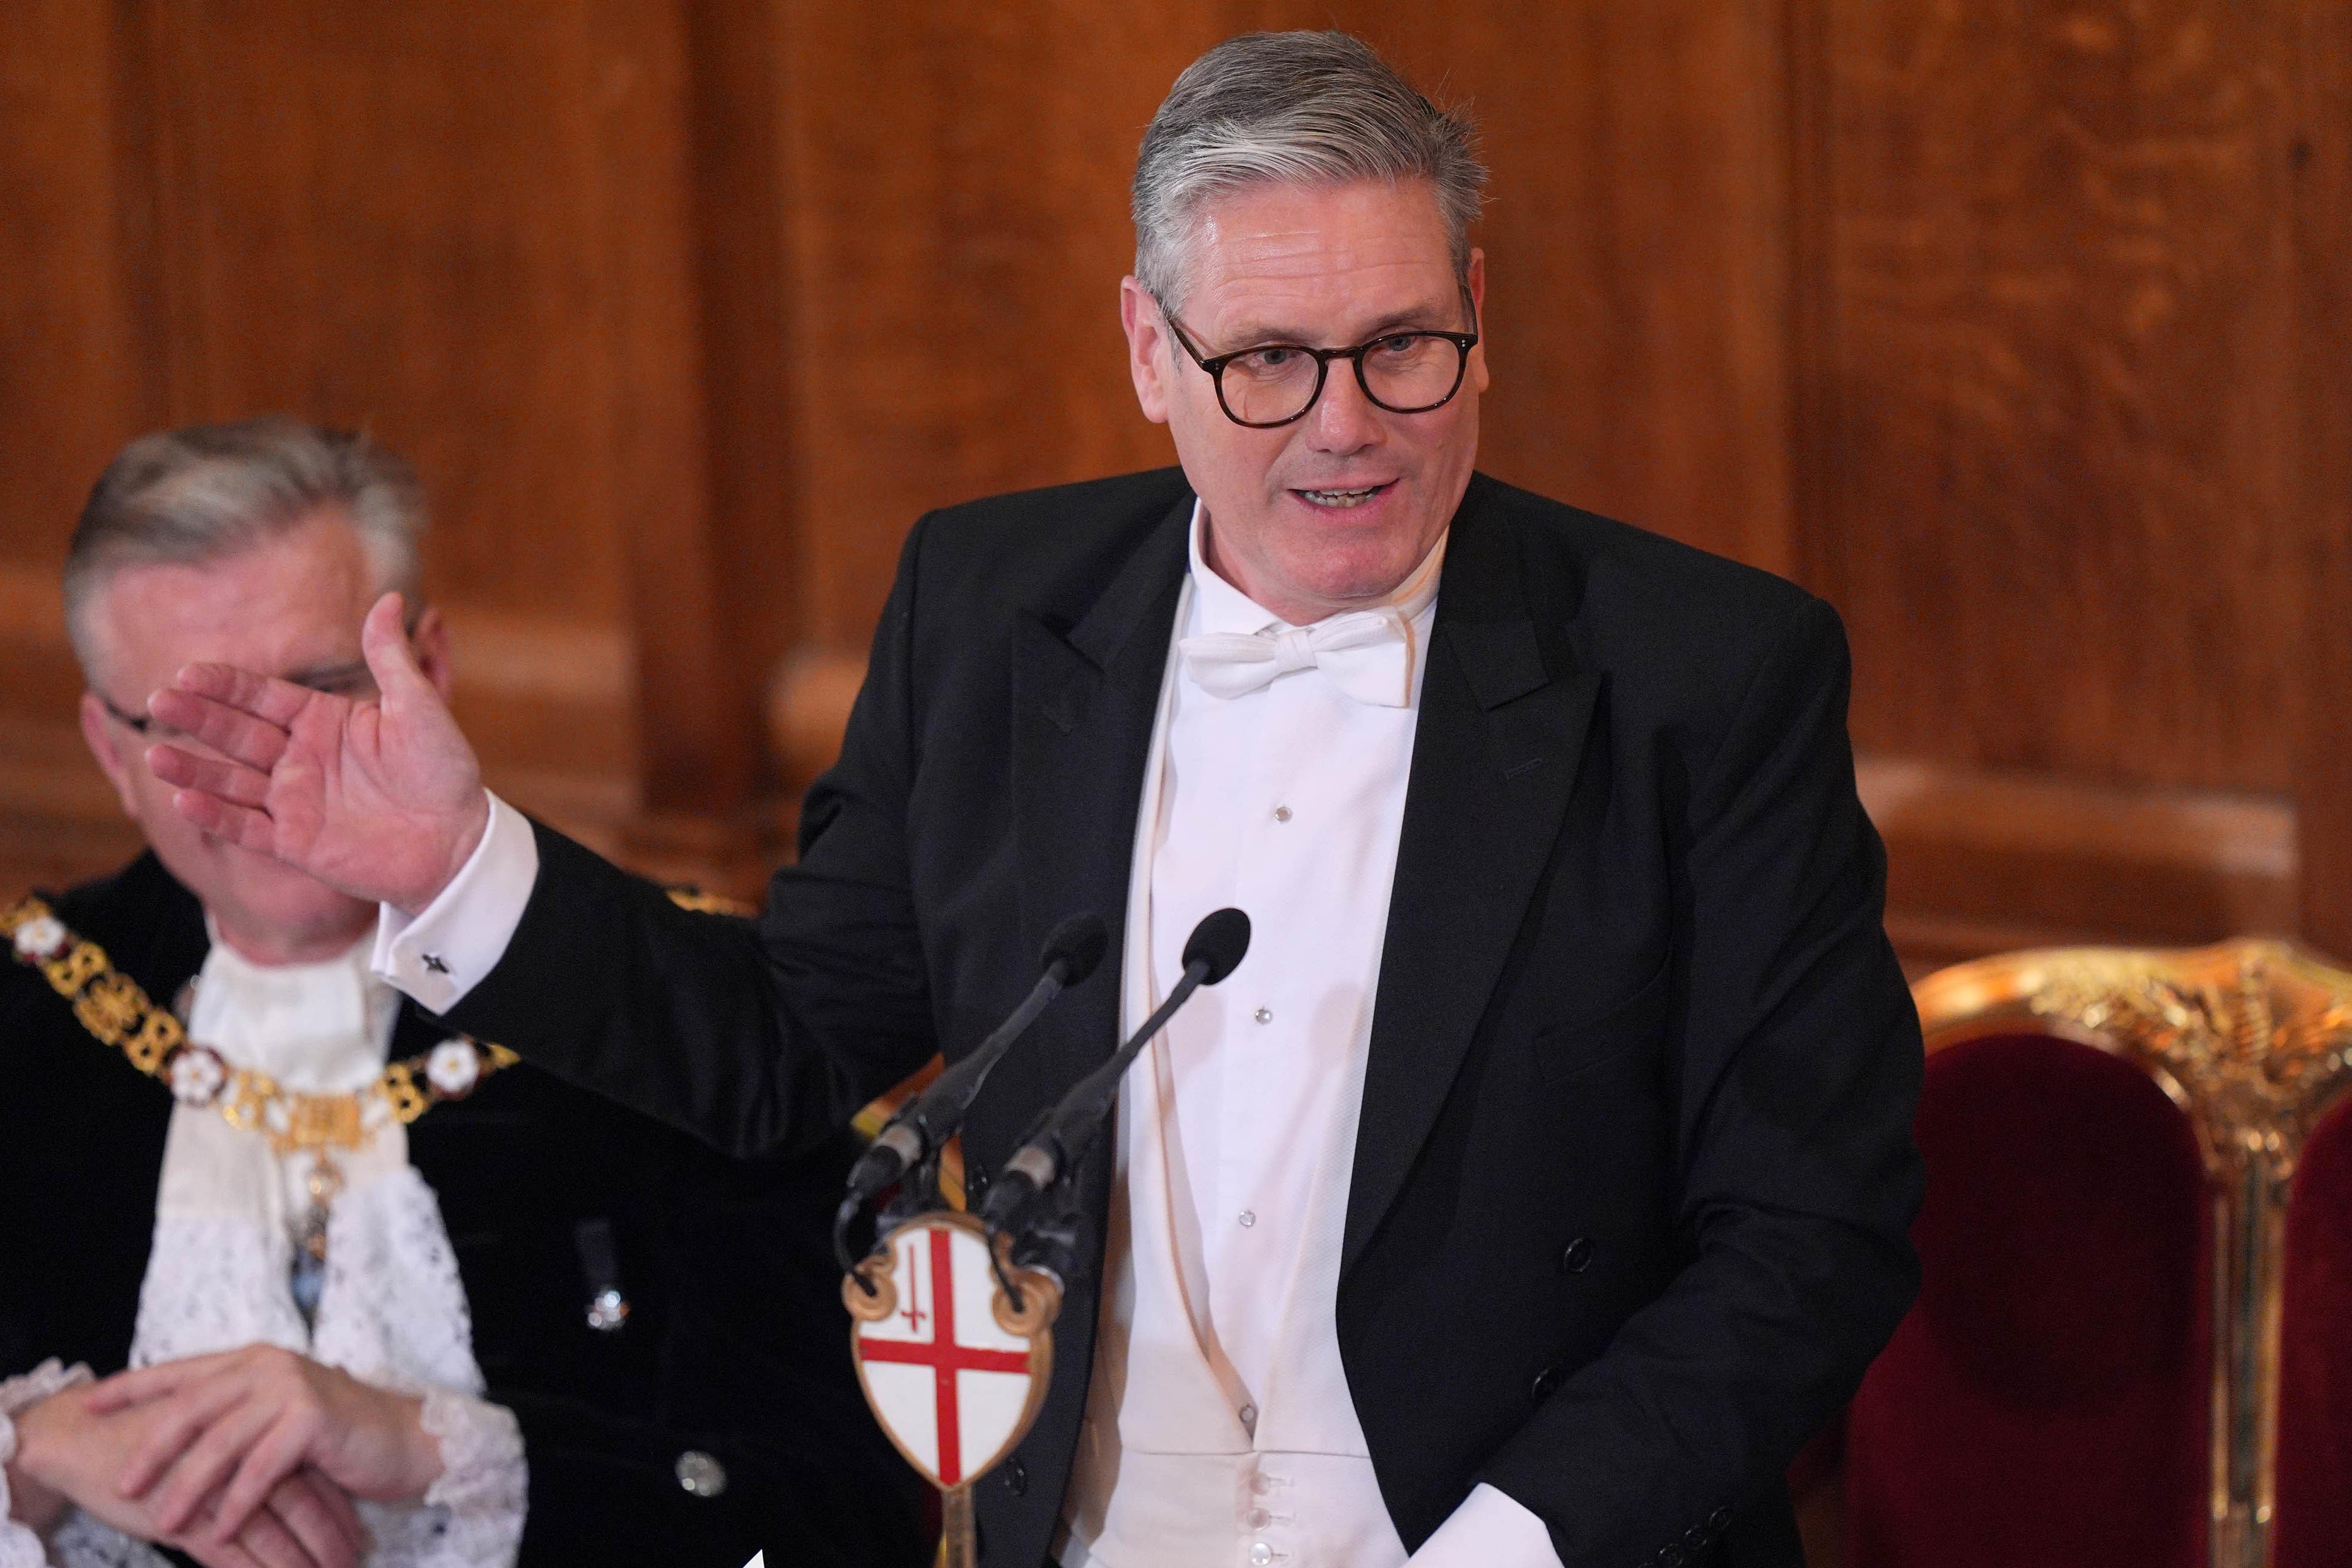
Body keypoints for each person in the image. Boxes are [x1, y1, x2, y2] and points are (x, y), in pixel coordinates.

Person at [145, 33, 1926, 1568]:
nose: (1345, 428)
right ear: (1149, 348)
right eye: (1267, 360)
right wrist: (455, 868)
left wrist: (1503, 1551)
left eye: (1402, 346)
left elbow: (1808, 1234)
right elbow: (786, 1050)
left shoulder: (1708, 674)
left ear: (1482, 318)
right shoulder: (990, 610)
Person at [0, 419, 925, 1568]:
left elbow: (851, 1518)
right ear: (105, 749)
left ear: (427, 671)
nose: (270, 774)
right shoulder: (24, 1010)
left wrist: (444, 1452)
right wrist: (26, 1454)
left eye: (320, 694)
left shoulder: (681, 1019)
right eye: (191, 731)